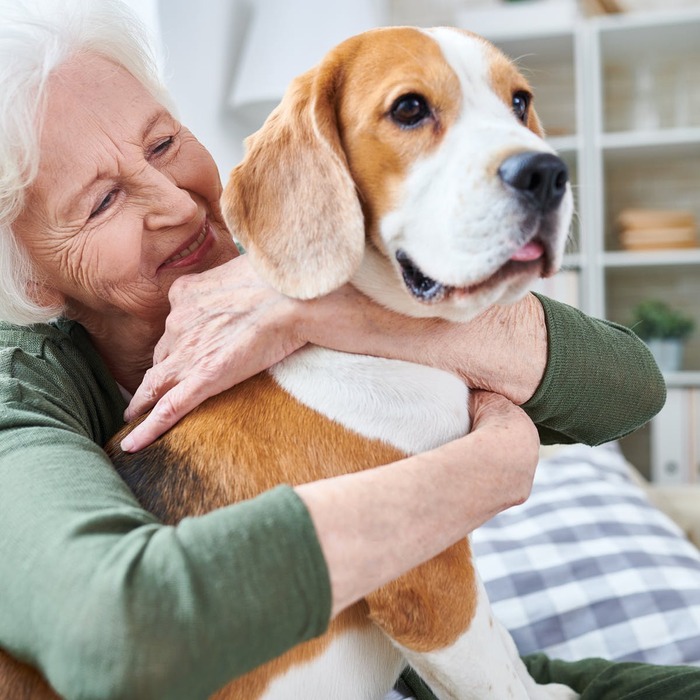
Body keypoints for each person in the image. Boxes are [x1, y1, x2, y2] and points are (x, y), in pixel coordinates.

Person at [0, 1, 677, 698]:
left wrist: (315, 308)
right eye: (103, 201)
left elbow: (630, 389)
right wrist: (488, 469)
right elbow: (115, 627)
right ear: (27, 275)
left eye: (164, 144)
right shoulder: (14, 391)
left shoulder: (312, 252)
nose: (174, 202)